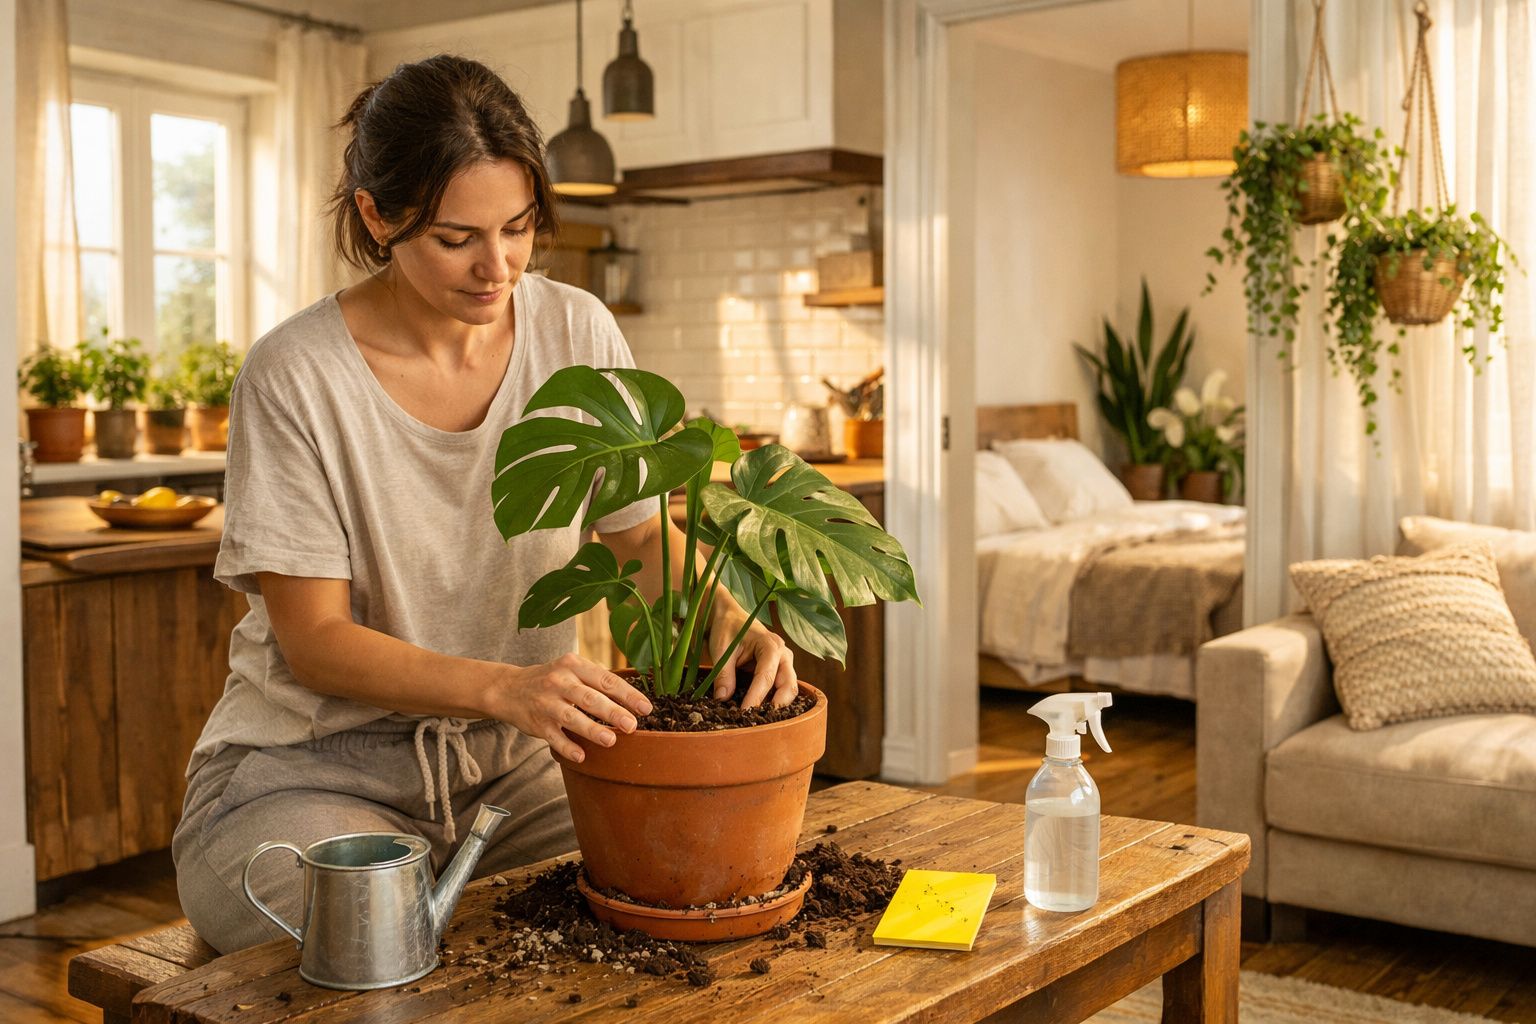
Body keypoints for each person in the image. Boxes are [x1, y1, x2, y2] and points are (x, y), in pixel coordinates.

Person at [172, 54, 795, 954]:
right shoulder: (295, 375)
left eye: (517, 227)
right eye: (455, 238)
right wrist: (507, 688)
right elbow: (314, 640)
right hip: (305, 778)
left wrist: (733, 626)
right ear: (376, 215)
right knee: (368, 939)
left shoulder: (577, 331)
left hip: (519, 776)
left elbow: (637, 538)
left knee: (675, 895)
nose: (495, 266)